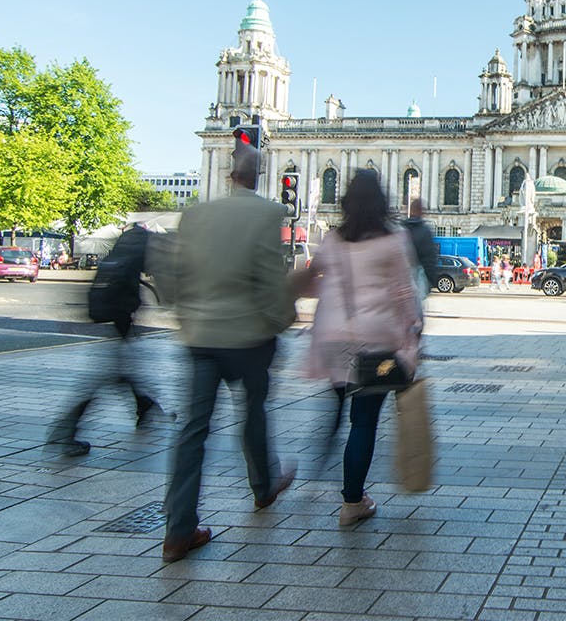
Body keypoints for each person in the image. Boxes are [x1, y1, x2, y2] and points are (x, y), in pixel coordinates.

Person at [161, 144, 297, 563]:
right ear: (259, 175)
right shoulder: (267, 214)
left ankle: (178, 530)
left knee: (192, 432)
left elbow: (171, 274)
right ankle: (262, 487)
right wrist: (281, 321)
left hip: (200, 336)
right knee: (253, 412)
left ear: (228, 173)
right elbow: (272, 279)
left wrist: (184, 316)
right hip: (249, 336)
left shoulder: (196, 215)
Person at [293, 169, 423, 527]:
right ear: (382, 201)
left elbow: (310, 279)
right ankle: (352, 501)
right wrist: (412, 336)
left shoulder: (333, 239)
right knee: (363, 422)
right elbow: (404, 295)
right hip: (375, 342)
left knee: (335, 409)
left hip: (332, 339)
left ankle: (317, 466)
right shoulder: (393, 240)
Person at [48, 223, 166, 456]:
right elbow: (153, 270)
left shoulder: (124, 245)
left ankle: (143, 404)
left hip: (113, 311)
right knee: (105, 376)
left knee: (117, 370)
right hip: (122, 313)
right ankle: (66, 431)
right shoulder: (142, 243)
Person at [403, 198, 439, 299]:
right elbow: (430, 260)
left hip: (401, 282)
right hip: (418, 282)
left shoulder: (401, 228)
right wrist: (430, 283)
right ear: (421, 211)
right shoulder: (425, 231)